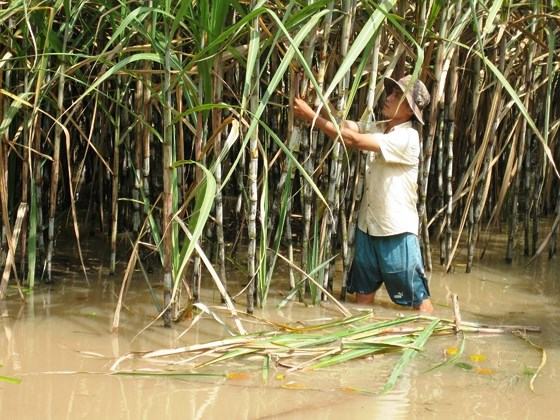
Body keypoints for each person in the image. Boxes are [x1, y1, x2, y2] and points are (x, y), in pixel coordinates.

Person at [292, 74, 434, 313]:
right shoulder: (381, 128)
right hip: (368, 227)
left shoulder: (408, 138)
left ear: (411, 110)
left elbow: (354, 140)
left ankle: (424, 344)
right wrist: (316, 106)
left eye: (398, 95)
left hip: (395, 232)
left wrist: (311, 117)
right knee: (363, 296)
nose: (388, 97)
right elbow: (348, 126)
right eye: (391, 92)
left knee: (418, 302)